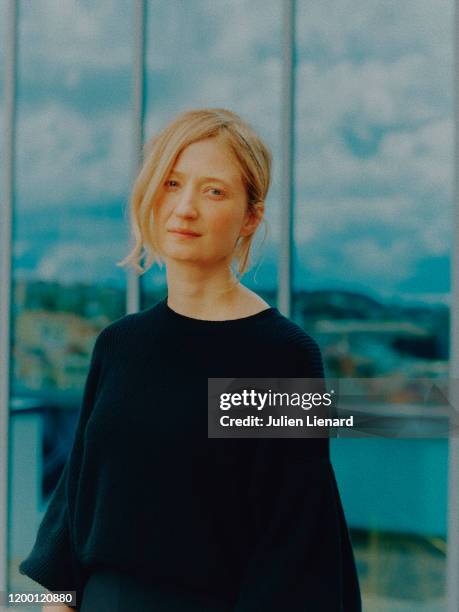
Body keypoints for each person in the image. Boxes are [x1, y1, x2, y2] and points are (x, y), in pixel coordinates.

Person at [19, 108, 362, 611]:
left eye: (213, 191)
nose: (184, 207)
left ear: (250, 216)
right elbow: (70, 527)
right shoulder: (119, 345)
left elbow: (295, 549)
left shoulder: (281, 356)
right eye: (172, 183)